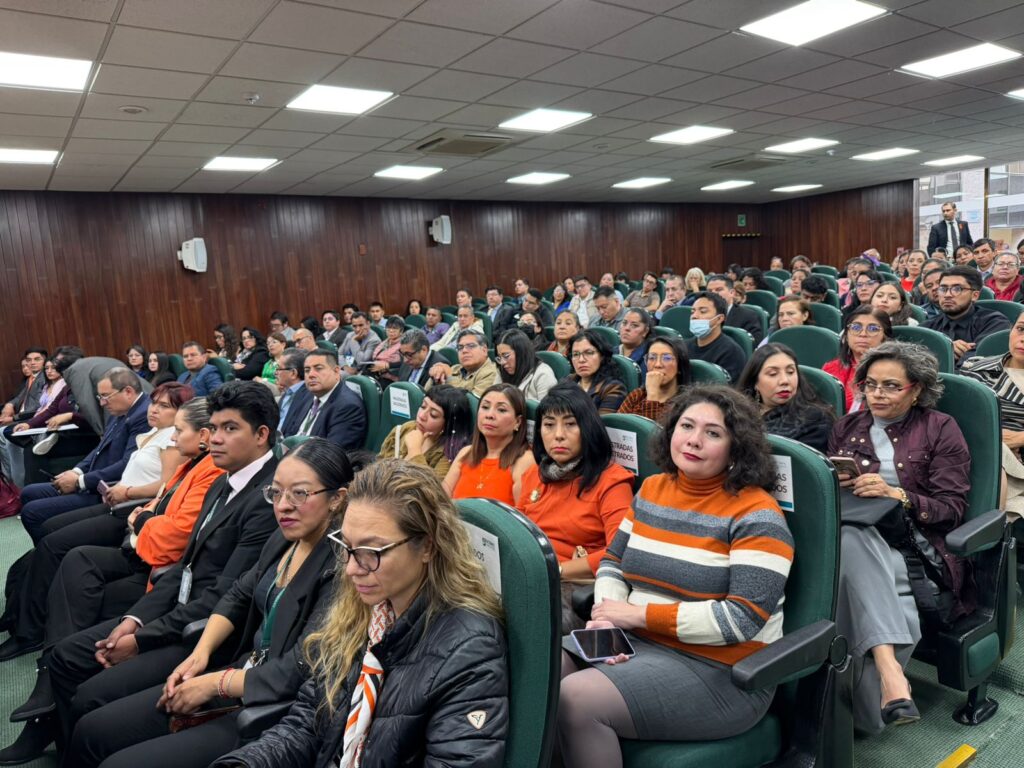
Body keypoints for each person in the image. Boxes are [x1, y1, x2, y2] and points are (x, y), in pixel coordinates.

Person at [66, 439, 357, 768]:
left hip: (273, 711)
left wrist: (213, 684)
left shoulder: (343, 568)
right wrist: (200, 655)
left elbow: (298, 669)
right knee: (93, 730)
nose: (283, 506)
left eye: (299, 494)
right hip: (239, 673)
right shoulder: (285, 538)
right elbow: (238, 594)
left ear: (337, 499)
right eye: (276, 493)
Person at [31, 382, 281, 763]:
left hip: (205, 634)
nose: (214, 438)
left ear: (261, 435)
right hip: (175, 606)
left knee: (91, 702)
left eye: (230, 428)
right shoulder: (222, 480)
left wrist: (142, 639)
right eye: (213, 428)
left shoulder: (269, 498)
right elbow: (186, 566)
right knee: (66, 656)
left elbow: (222, 597)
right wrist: (135, 619)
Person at [212, 458, 508, 768]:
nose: (352, 569)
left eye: (372, 552)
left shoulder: (469, 648)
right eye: (347, 547)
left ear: (427, 547)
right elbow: (308, 724)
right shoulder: (361, 611)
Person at [558, 386, 793, 765]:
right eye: (686, 426)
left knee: (576, 698)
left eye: (713, 433)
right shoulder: (653, 490)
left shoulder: (757, 515)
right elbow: (613, 562)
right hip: (636, 640)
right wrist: (607, 615)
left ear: (737, 448)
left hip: (722, 670)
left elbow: (741, 620)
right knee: (543, 668)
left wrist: (636, 616)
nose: (694, 440)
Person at [828, 341, 971, 733]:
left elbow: (952, 508)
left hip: (915, 541)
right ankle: (888, 673)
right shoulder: (846, 428)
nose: (877, 394)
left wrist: (897, 494)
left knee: (848, 554)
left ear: (917, 390)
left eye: (891, 386)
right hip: (857, 530)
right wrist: (837, 484)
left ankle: (859, 704)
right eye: (870, 384)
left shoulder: (940, 428)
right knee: (851, 544)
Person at [0, 381, 189, 662]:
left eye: (164, 406)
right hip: (115, 499)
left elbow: (165, 487)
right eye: (154, 403)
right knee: (46, 538)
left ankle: (30, 632)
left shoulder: (173, 440)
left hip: (130, 510)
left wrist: (127, 491)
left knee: (53, 544)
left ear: (182, 413)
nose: (154, 409)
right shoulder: (153, 431)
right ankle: (19, 614)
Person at [519, 383, 634, 629]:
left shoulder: (612, 481)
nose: (558, 435)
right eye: (549, 425)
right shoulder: (534, 474)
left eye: (570, 424)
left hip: (572, 587)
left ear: (588, 428)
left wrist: (554, 570)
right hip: (529, 574)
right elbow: (517, 530)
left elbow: (619, 553)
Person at [18, 368, 152, 544]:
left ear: (128, 391)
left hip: (108, 490)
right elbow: (99, 449)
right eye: (100, 397)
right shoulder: (120, 411)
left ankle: (49, 551)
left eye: (106, 396)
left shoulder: (143, 415)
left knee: (32, 512)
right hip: (92, 480)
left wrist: (79, 482)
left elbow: (127, 464)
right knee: (29, 493)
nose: (102, 403)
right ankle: (48, 549)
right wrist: (76, 471)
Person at [962, 310, 1024, 516]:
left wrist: (1020, 438)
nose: (1023, 339)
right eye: (1020, 329)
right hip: (978, 458)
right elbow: (959, 420)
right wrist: (995, 439)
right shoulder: (976, 369)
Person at [444, 383, 534, 507]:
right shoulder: (466, 453)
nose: (489, 415)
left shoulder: (524, 461)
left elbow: (524, 515)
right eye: (485, 407)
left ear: (517, 422)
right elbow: (441, 503)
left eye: (501, 410)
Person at [737, 343, 834, 452]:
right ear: (755, 382)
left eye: (790, 372)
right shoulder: (737, 414)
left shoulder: (815, 419)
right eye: (773, 374)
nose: (785, 381)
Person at [378, 385, 473, 480]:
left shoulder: (451, 452)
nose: (422, 416)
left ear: (448, 424)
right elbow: (378, 468)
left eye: (433, 415)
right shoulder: (405, 429)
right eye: (423, 406)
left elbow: (432, 487)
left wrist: (414, 451)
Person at [923, 266, 1010, 367]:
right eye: (943, 289)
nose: (947, 295)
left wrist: (935, 352)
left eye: (957, 289)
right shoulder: (927, 327)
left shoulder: (994, 322)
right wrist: (946, 349)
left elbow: (974, 365)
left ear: (974, 295)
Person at [279, 351, 366, 449]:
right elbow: (290, 432)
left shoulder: (348, 406)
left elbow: (331, 452)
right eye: (307, 370)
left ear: (336, 371)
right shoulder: (307, 395)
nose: (311, 374)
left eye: (318, 369)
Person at [824, 307, 895, 412]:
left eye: (873, 329)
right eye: (856, 327)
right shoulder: (830, 368)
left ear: (885, 337)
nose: (863, 334)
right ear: (846, 335)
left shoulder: (894, 372)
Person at [618, 336, 690, 420]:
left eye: (667, 358)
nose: (657, 364)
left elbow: (651, 428)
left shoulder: (686, 403)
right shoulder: (637, 395)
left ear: (680, 365)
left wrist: (652, 395)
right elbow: (618, 425)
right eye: (652, 358)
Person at [684, 292, 746, 384]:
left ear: (719, 319)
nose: (694, 316)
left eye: (703, 311)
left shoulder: (731, 352)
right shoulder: (683, 347)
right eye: (692, 312)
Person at [567, 330, 627, 414]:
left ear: (602, 356)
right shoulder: (568, 381)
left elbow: (601, 422)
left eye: (589, 353)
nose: (581, 360)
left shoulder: (613, 388)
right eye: (576, 354)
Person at [427, 329, 500, 397]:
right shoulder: (455, 368)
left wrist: (450, 378)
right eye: (460, 347)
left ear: (484, 350)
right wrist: (435, 376)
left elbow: (471, 404)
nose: (464, 351)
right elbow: (425, 395)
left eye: (471, 346)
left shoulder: (491, 373)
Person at [496, 329, 557, 401]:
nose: (502, 362)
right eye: (499, 357)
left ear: (521, 353)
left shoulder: (543, 374)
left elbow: (547, 407)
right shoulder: (502, 371)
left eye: (506, 356)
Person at [706, 275, 764, 344]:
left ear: (732, 293)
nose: (713, 294)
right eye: (709, 291)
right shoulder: (700, 315)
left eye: (719, 289)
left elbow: (752, 345)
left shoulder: (748, 316)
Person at [1, 347, 47, 425]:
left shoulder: (45, 378)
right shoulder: (31, 378)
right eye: (29, 360)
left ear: (45, 361)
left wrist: (13, 418)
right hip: (21, 418)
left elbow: (38, 406)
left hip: (30, 420)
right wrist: (9, 405)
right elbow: (19, 397)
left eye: (37, 359)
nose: (32, 363)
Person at [366, 315, 405, 386]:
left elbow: (405, 364)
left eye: (395, 328)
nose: (391, 331)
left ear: (401, 331)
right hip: (377, 373)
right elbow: (375, 356)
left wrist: (387, 365)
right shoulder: (385, 342)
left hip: (392, 378)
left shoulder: (404, 344)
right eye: (388, 328)